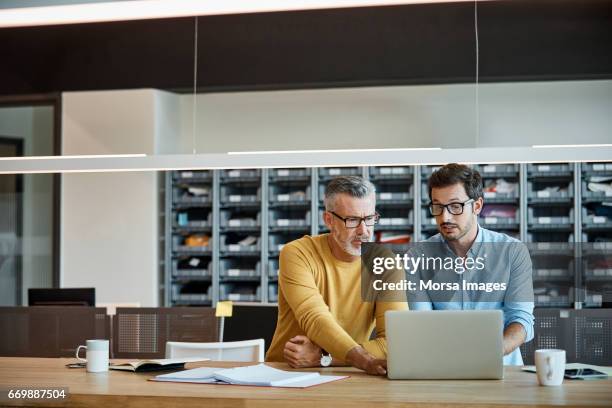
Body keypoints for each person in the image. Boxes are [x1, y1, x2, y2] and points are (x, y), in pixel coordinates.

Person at [265, 175, 407, 375]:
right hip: (286, 373)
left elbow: (395, 342)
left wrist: (325, 359)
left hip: (350, 375)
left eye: (369, 219)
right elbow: (315, 318)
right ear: (329, 220)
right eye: (352, 220)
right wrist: (363, 360)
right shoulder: (298, 253)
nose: (363, 231)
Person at [409, 163, 534, 365]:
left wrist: (488, 353)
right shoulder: (417, 257)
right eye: (438, 207)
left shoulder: (512, 252)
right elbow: (422, 324)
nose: (445, 217)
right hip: (443, 370)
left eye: (455, 206)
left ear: (477, 205)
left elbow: (521, 320)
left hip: (501, 369)